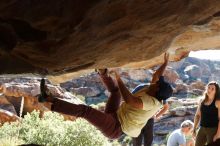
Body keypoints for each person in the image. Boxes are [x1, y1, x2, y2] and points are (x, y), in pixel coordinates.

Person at [38, 53, 173, 139]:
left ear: (157, 91)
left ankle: (49, 100)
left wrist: (118, 78)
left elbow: (130, 100)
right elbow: (157, 75)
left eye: (158, 84)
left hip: (115, 127)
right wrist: (166, 63)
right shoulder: (154, 90)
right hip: (116, 114)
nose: (156, 81)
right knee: (115, 92)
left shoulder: (152, 103)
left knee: (86, 111)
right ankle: (102, 72)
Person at [193, 81, 220, 146]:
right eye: (208, 87)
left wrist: (218, 134)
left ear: (216, 91)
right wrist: (194, 128)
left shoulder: (218, 102)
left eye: (212, 89)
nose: (209, 90)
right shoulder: (202, 101)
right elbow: (197, 115)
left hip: (213, 130)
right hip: (202, 128)